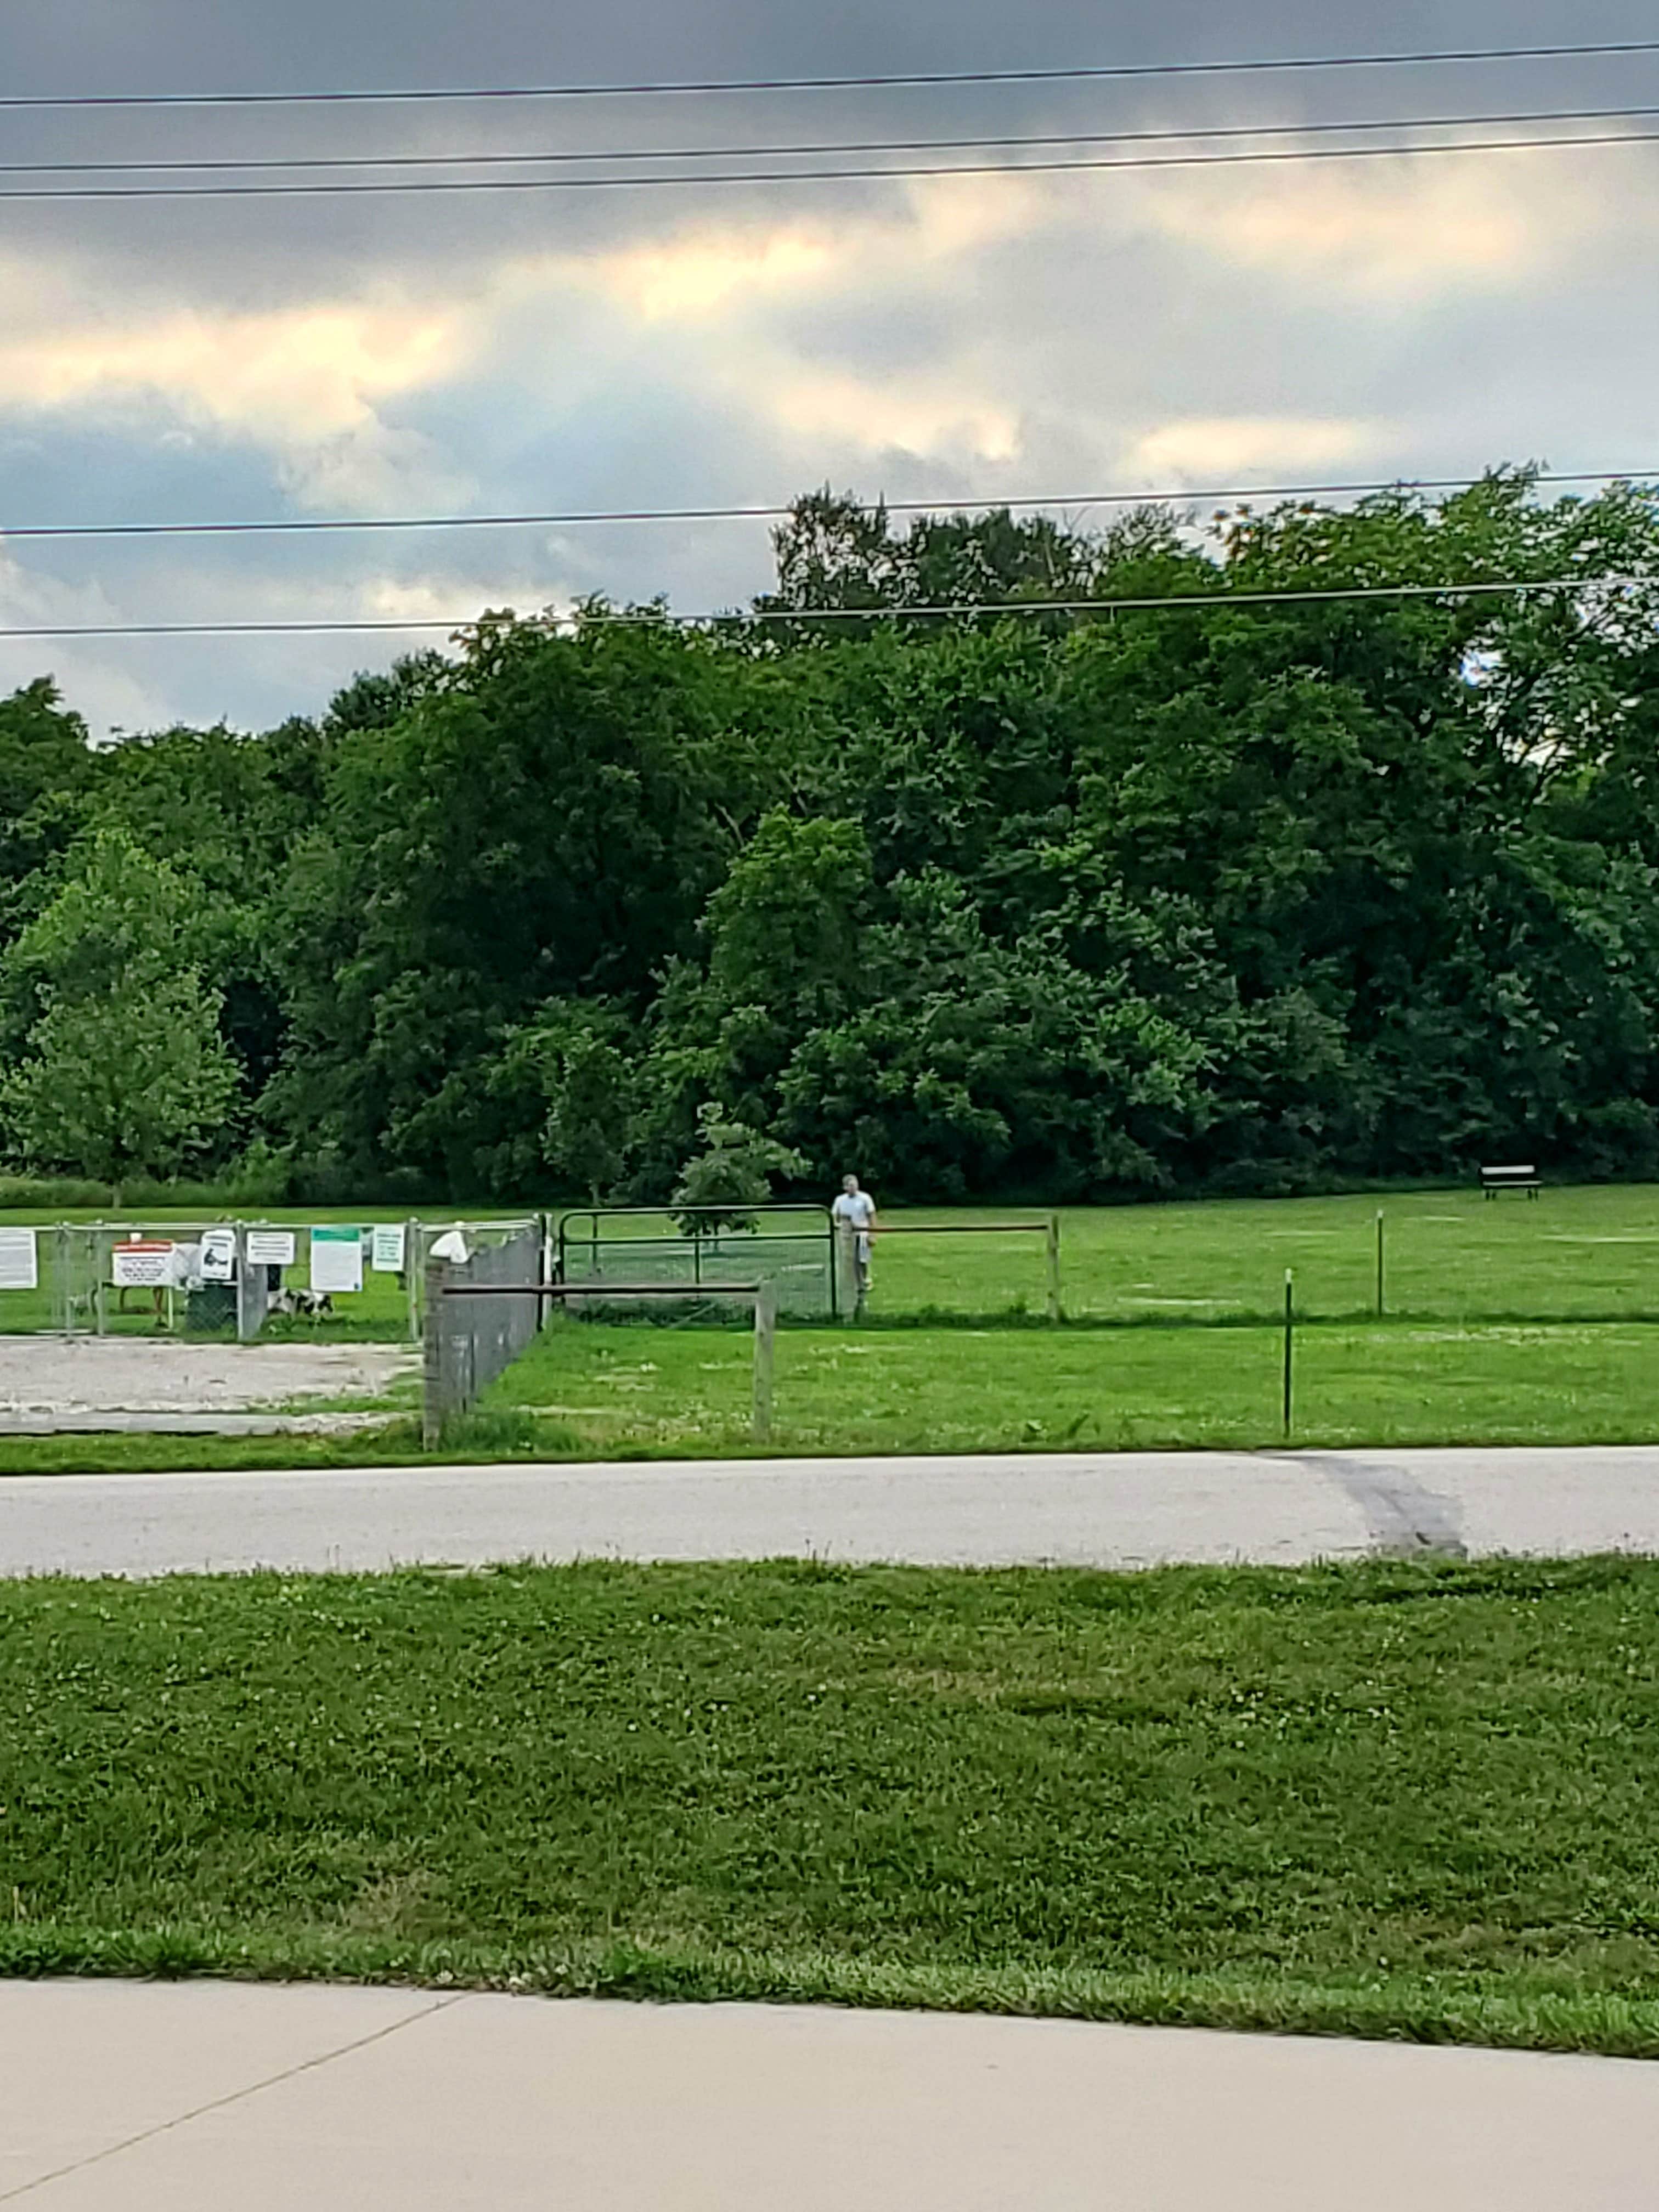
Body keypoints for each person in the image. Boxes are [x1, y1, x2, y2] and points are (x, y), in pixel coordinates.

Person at [832, 1175, 878, 1308]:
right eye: (850, 1185)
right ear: (845, 1187)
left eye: (855, 1185)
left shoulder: (865, 1198)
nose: (853, 1188)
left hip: (862, 1232)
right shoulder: (840, 1200)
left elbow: (872, 1215)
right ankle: (853, 1283)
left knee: (862, 1259)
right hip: (847, 1234)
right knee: (850, 1260)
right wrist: (837, 1225)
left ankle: (865, 1281)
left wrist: (873, 1234)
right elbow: (835, 1215)